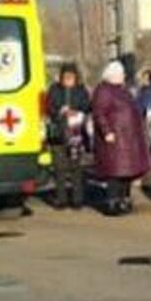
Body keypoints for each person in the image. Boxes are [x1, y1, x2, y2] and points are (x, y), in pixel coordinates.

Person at [89, 60, 151, 216]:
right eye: (121, 73)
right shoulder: (103, 91)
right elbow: (99, 113)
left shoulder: (123, 91)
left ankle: (124, 200)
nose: (123, 76)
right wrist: (107, 132)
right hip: (115, 140)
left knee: (126, 173)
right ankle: (113, 202)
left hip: (128, 139)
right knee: (115, 173)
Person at [44, 64, 91, 210]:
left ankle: (77, 199)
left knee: (76, 167)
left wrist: (76, 111)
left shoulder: (81, 90)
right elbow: (49, 107)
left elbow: (87, 106)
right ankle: (61, 198)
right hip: (58, 134)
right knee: (59, 168)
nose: (68, 80)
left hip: (75, 134)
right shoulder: (54, 89)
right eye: (65, 77)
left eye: (71, 77)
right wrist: (60, 111)